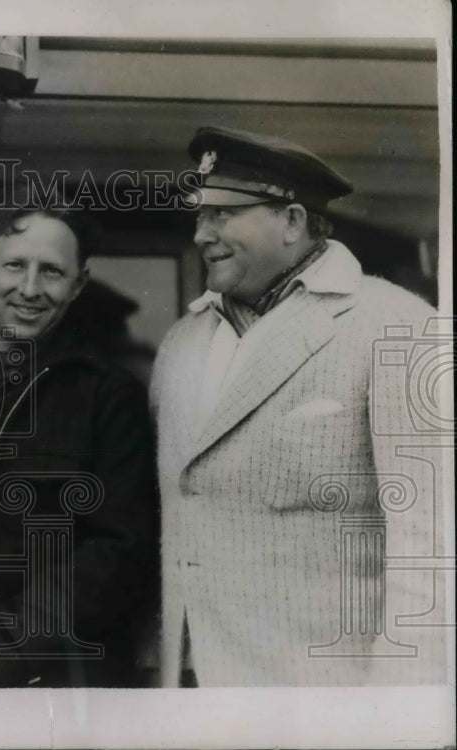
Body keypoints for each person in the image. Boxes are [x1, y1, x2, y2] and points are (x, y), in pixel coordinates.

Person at [151, 125, 446, 686]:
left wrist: (400, 713)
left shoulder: (400, 326)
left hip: (328, 702)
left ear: (292, 221)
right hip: (196, 693)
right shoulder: (181, 343)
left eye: (222, 214)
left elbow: (427, 550)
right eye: (199, 215)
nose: (201, 234)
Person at [0, 193, 158, 687]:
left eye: (53, 272)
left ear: (80, 283)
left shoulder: (108, 397)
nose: (30, 288)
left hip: (52, 671)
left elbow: (116, 553)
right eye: (14, 265)